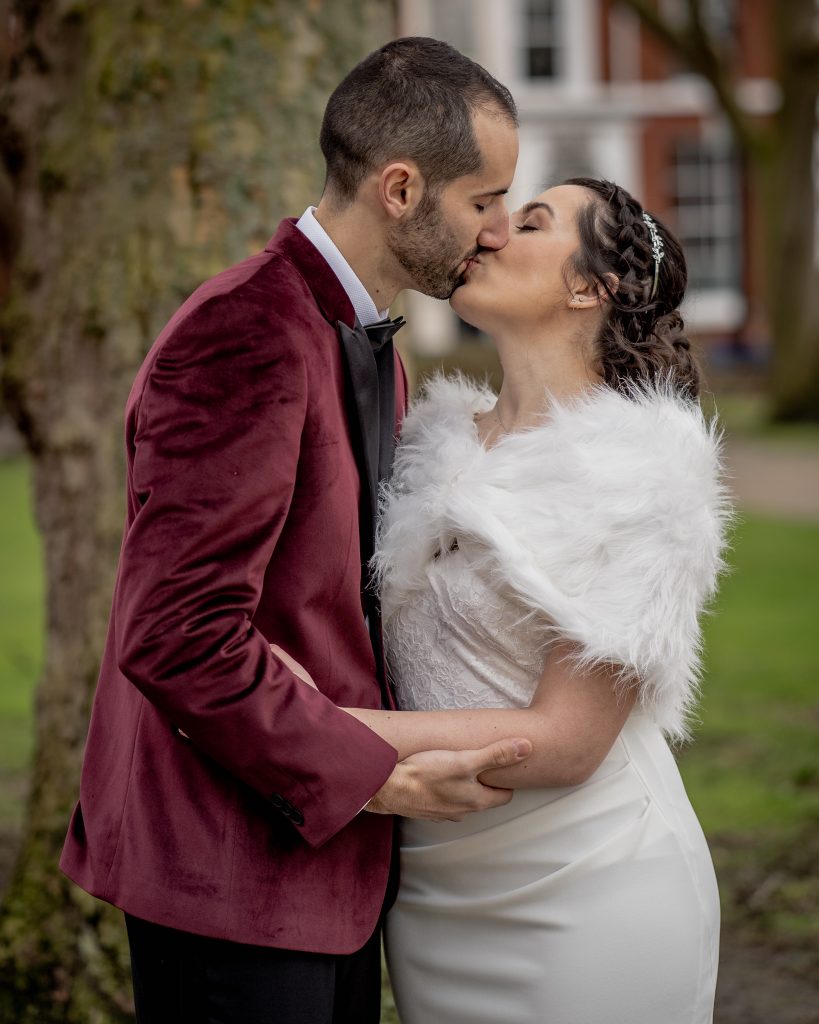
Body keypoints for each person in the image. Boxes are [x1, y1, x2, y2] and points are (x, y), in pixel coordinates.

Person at [59, 38, 529, 1024]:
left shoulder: (366, 343)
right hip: (229, 879)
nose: (493, 232)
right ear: (402, 187)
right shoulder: (242, 335)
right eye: (484, 201)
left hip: (323, 882)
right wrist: (377, 777)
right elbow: (179, 634)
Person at [342, 178, 731, 1023]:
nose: (486, 233)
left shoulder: (644, 475)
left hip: (587, 886)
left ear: (588, 286)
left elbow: (564, 742)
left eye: (528, 222)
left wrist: (326, 733)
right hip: (436, 896)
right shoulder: (427, 443)